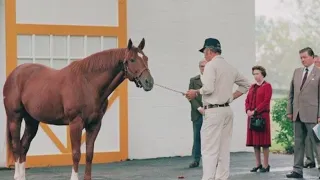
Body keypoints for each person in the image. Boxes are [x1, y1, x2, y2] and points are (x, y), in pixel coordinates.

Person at [185, 38, 251, 180]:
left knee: (209, 150)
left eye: (204, 52)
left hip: (213, 111)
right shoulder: (229, 67)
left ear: (209, 51)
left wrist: (195, 92)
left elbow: (208, 88)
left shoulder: (210, 65)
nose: (204, 55)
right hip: (227, 111)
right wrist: (230, 97)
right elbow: (246, 85)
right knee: (223, 150)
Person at [286, 47, 320, 178]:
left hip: (313, 114)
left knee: (317, 143)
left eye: (304, 57)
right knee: (298, 143)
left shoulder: (318, 73)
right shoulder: (297, 72)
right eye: (301, 58)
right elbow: (291, 93)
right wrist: (290, 110)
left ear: (312, 57)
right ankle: (297, 170)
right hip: (298, 113)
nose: (302, 60)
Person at [245, 65, 272, 173]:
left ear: (262, 74)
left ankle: (266, 165)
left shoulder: (267, 86)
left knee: (264, 143)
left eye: (257, 74)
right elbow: (247, 100)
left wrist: (255, 111)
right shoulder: (252, 87)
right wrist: (247, 110)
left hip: (262, 117)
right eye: (254, 74)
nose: (255, 76)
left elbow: (266, 101)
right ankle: (258, 164)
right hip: (252, 117)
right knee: (255, 143)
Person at [187, 59, 207, 168]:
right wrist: (199, 108)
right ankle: (196, 159)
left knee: (211, 137)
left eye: (205, 66)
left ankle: (213, 159)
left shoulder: (212, 80)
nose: (203, 68)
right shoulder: (193, 80)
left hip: (211, 111)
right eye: (201, 66)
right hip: (197, 112)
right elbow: (190, 96)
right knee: (197, 136)